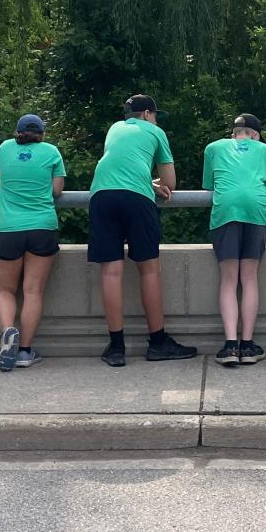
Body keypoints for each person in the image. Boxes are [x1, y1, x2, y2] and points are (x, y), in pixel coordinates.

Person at [89, 94, 196, 367]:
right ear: (147, 114)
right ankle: (158, 342)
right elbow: (170, 182)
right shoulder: (155, 131)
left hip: (101, 195)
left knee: (111, 272)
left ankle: (116, 347)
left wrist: (146, 182)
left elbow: (122, 165)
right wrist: (152, 184)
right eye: (155, 114)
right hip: (136, 200)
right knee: (149, 269)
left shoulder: (114, 128)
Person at [0, 114, 66, 371]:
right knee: (33, 291)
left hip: (9, 228)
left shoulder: (4, 149)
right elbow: (57, 190)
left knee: (5, 290)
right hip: (42, 226)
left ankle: (8, 331)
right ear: (42, 133)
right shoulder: (52, 152)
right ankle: (24, 352)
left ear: (18, 132)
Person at [203, 113, 266, 367]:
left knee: (228, 280)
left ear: (234, 133)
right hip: (257, 210)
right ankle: (248, 345)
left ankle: (230, 345)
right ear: (255, 135)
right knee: (249, 279)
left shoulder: (213, 148)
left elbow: (208, 185)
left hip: (226, 211)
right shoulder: (265, 150)